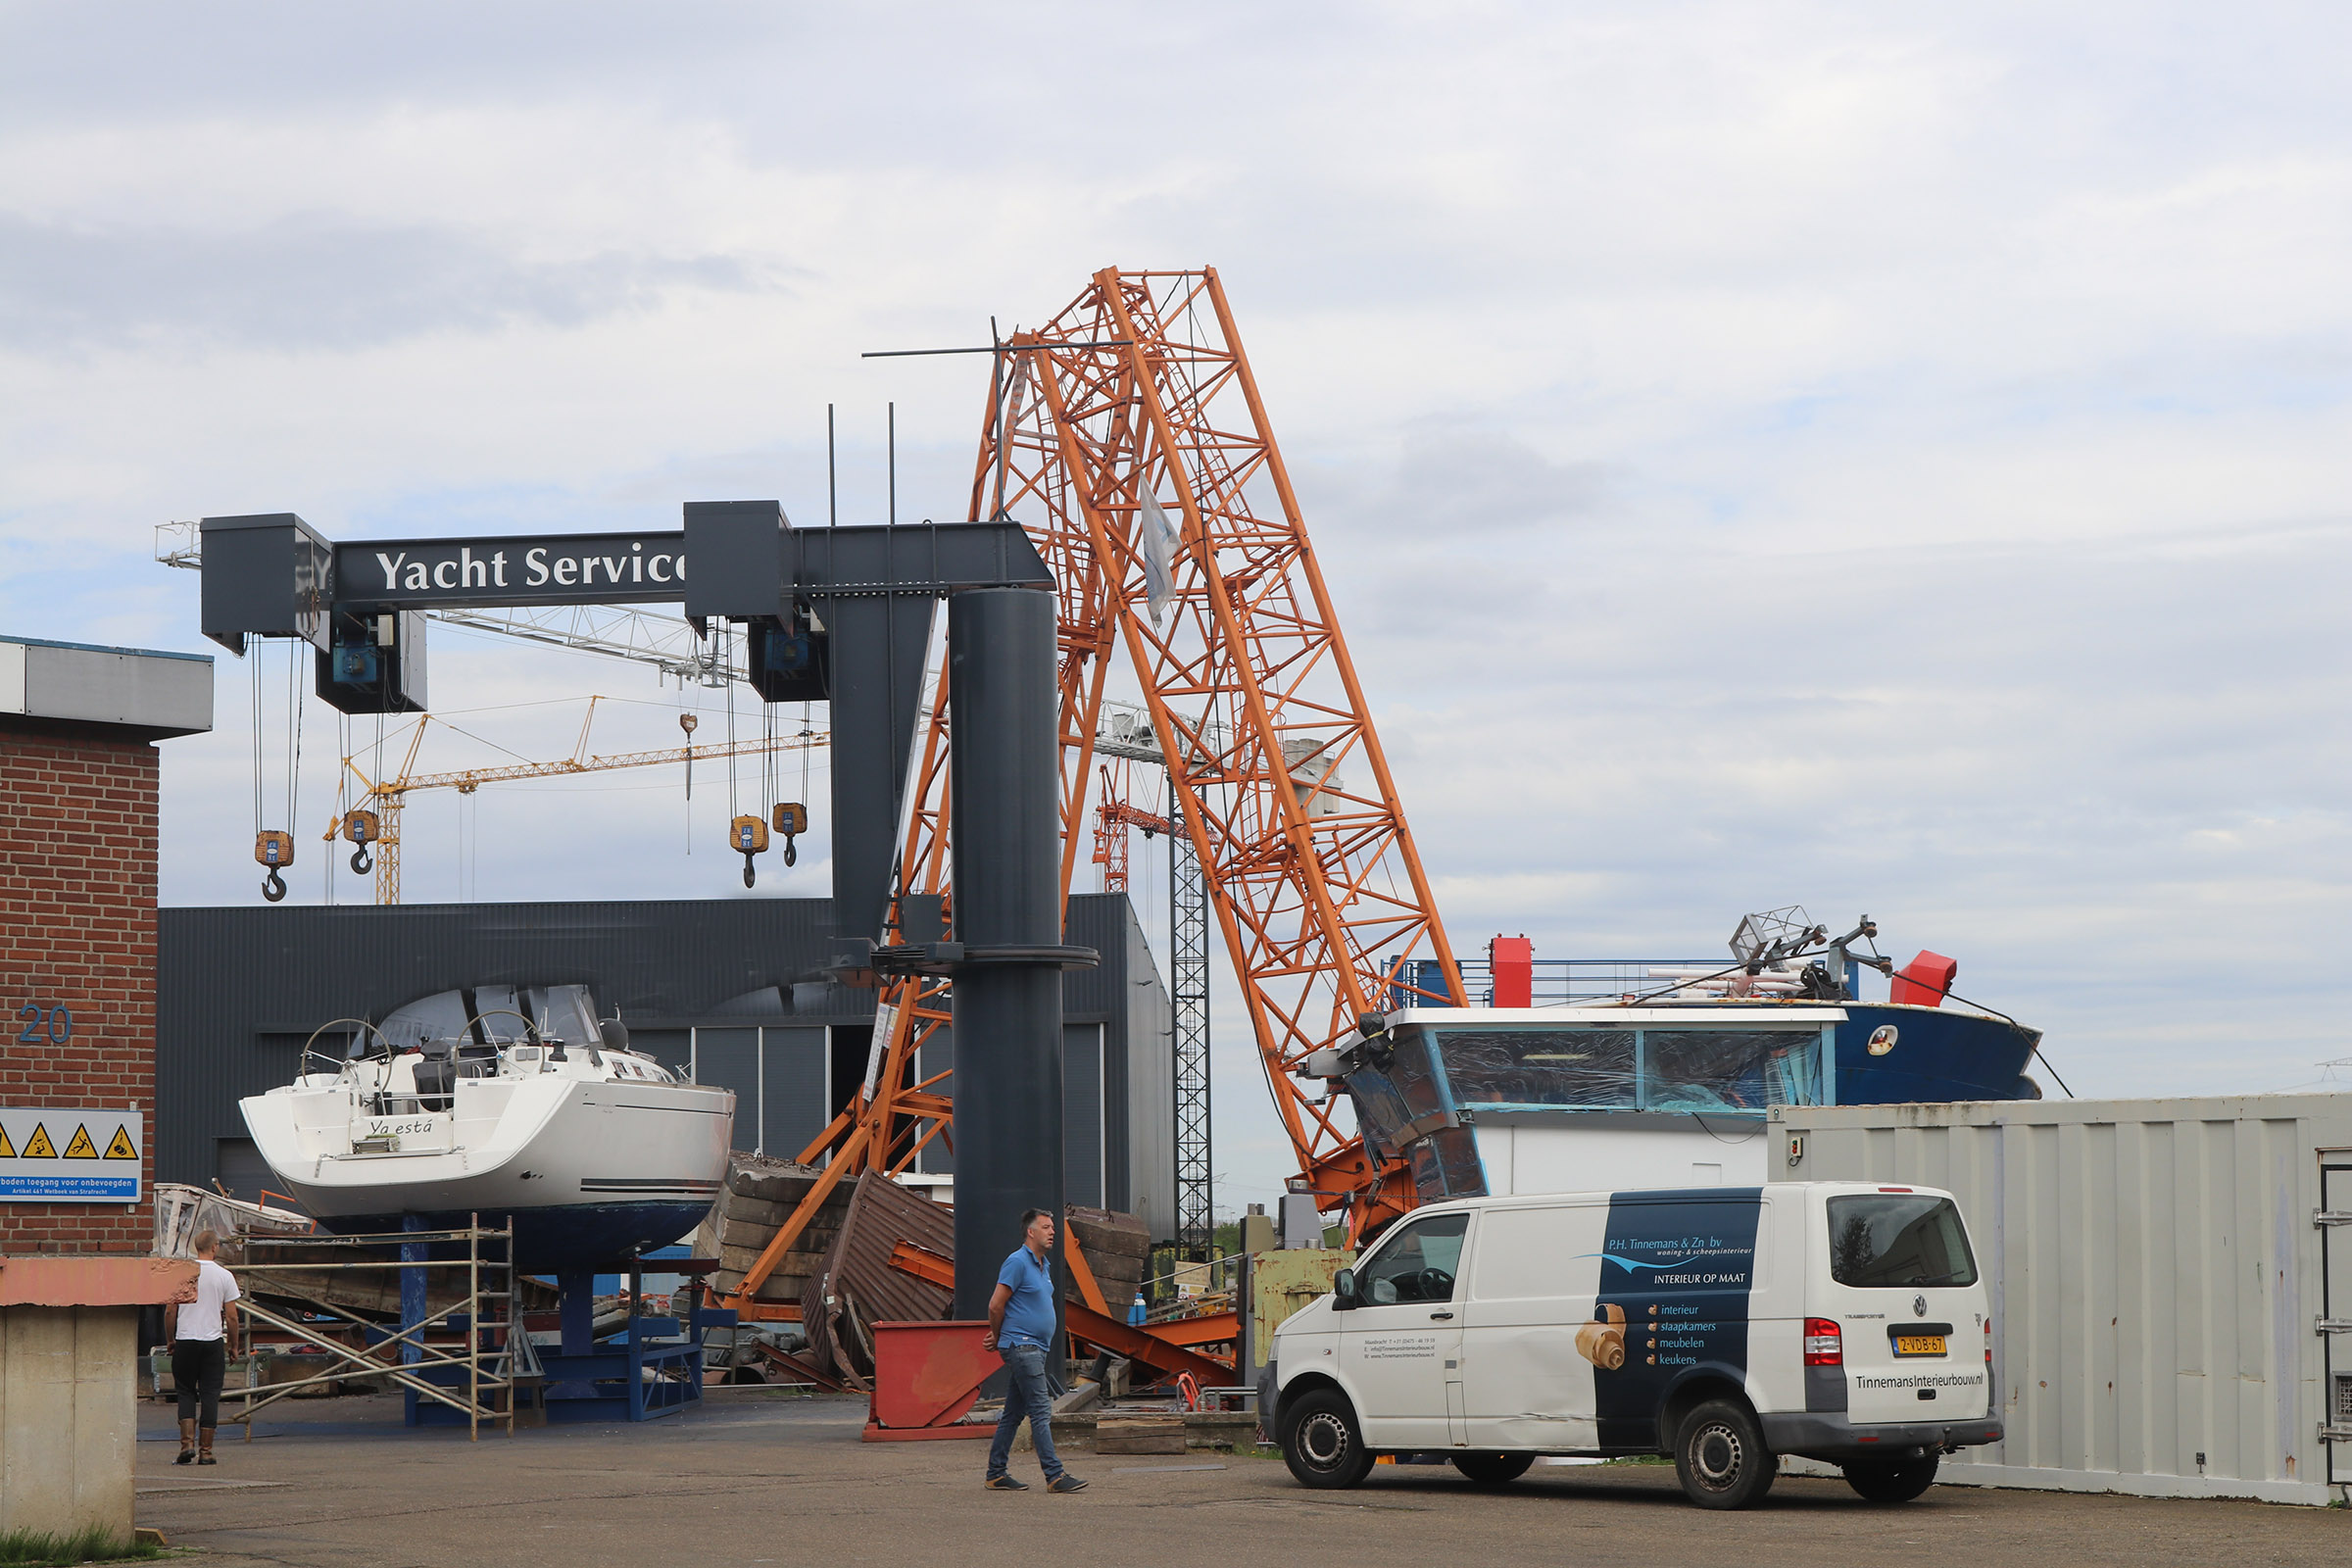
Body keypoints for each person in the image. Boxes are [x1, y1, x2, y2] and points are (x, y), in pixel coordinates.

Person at [981, 1207, 1087, 1494]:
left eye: (1052, 1227)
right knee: (1041, 1410)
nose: (1052, 1231)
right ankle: (1055, 1476)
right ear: (1030, 1232)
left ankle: (995, 1473)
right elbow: (995, 1304)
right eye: (1046, 1227)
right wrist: (999, 1334)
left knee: (1014, 1414)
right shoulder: (1017, 1262)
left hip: (1035, 1347)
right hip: (1022, 1346)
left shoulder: (1044, 1264)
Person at [167, 1228, 242, 1465]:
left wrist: (171, 1339)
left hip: (186, 1340)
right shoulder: (224, 1276)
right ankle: (206, 1452)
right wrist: (234, 1346)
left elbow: (170, 1310)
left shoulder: (182, 1274)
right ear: (214, 1247)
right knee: (210, 1394)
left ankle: (186, 1445)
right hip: (212, 1342)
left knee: (185, 1391)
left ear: (195, 1248)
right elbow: (232, 1317)